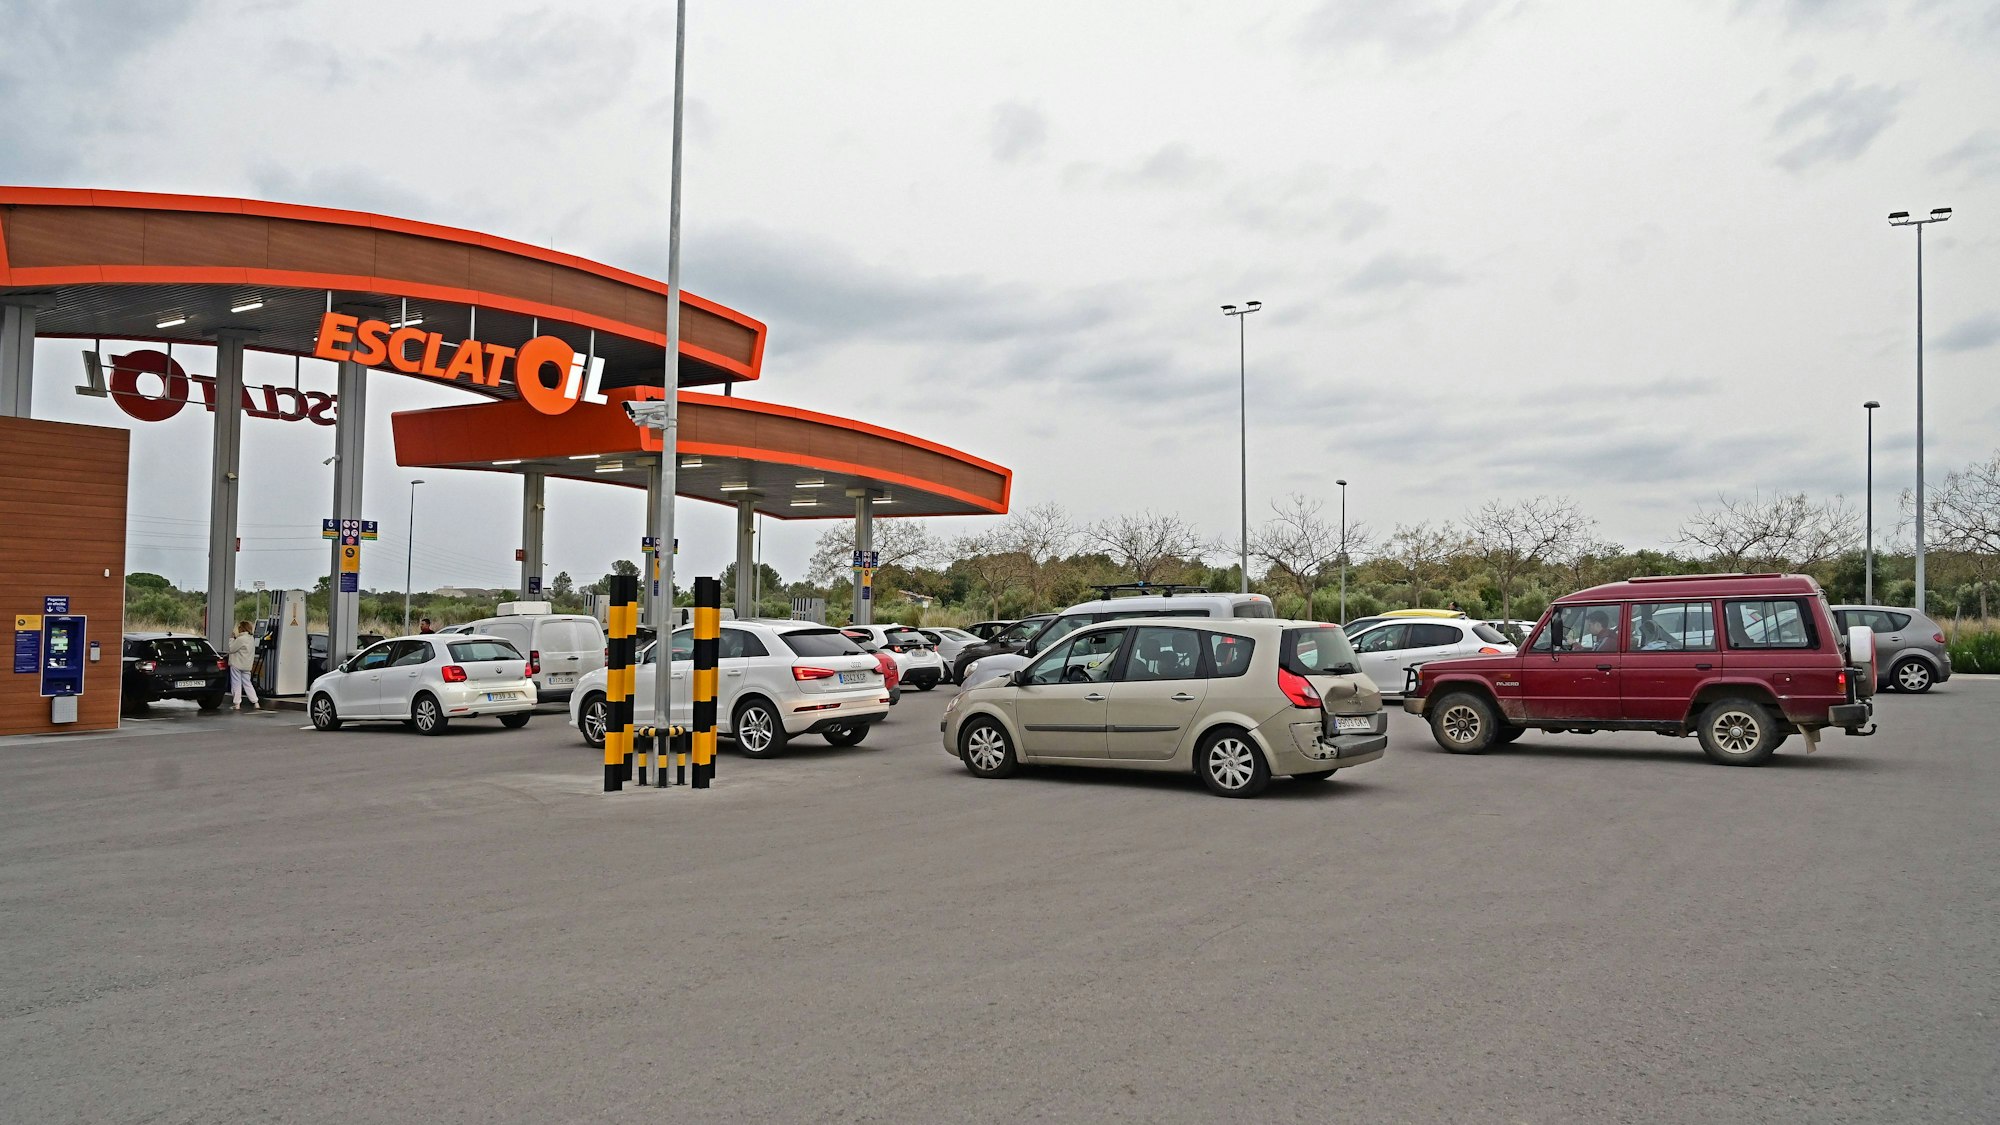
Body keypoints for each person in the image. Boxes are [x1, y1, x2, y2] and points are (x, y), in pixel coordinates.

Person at [227, 621, 260, 710]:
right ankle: (255, 702)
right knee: (248, 683)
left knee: (236, 684)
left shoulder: (241, 639)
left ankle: (237, 704)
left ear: (242, 628)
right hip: (247, 665)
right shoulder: (251, 638)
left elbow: (231, 649)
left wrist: (231, 639)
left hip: (237, 664)